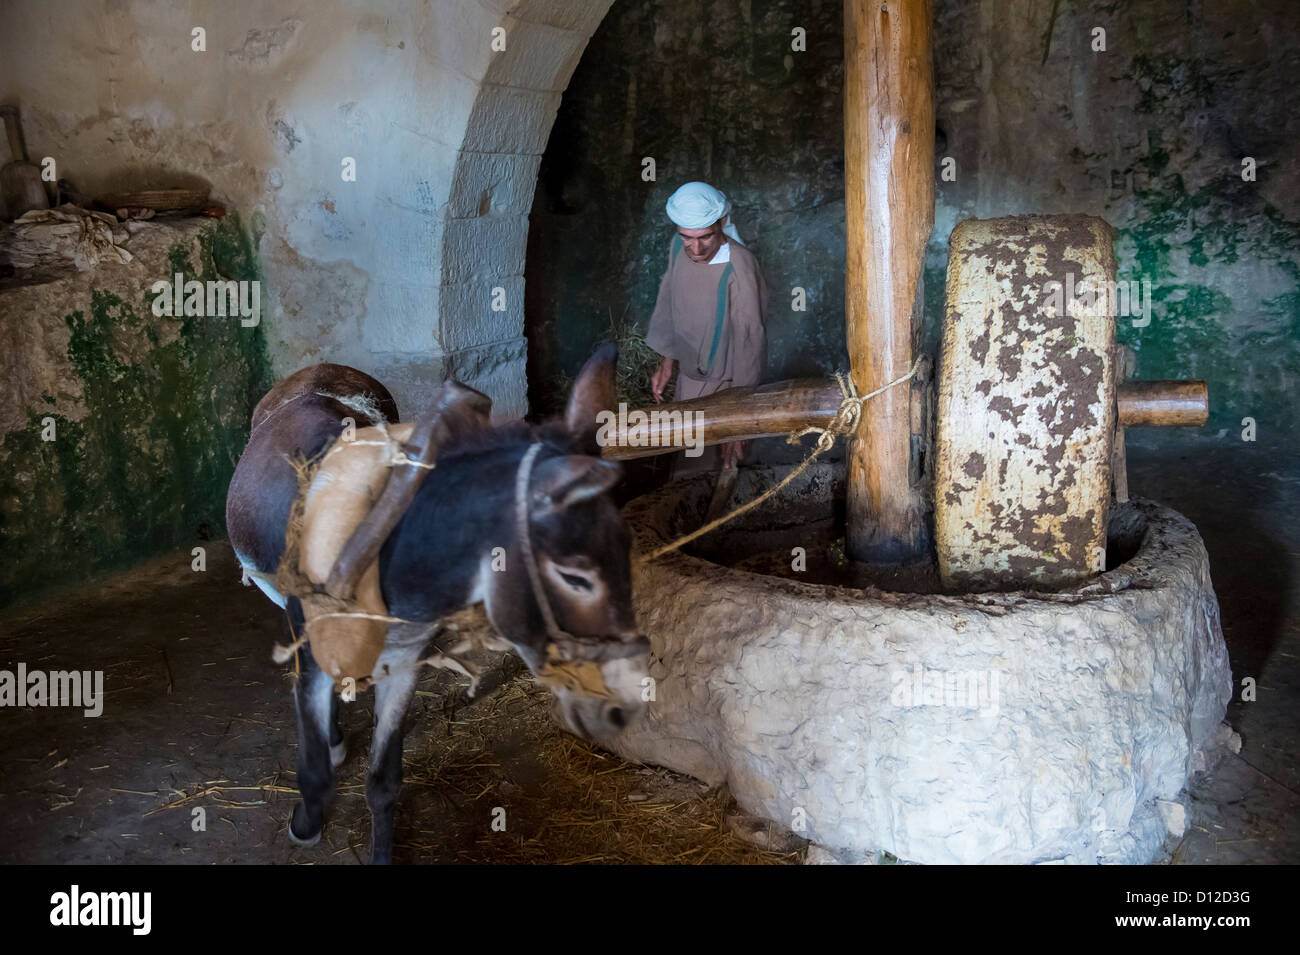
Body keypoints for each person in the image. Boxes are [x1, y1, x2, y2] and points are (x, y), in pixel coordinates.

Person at [645, 181, 767, 470]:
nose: (696, 248)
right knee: (685, 460)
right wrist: (667, 361)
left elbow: (750, 340)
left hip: (725, 386)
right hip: (688, 376)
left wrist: (738, 419)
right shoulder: (678, 249)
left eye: (706, 237)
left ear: (722, 222)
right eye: (687, 237)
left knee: (716, 466)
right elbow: (669, 299)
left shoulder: (740, 266)